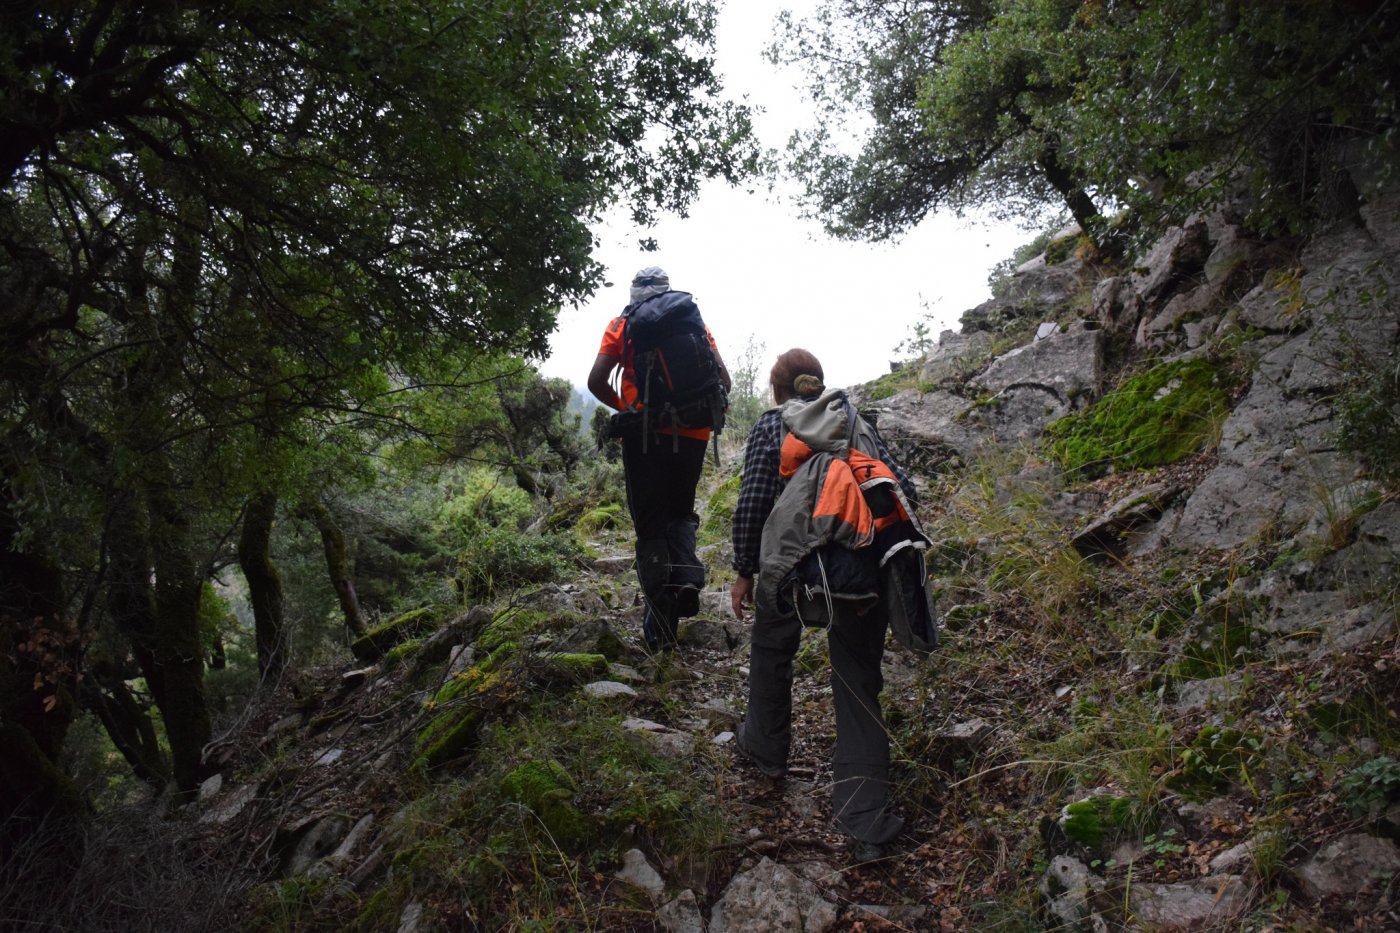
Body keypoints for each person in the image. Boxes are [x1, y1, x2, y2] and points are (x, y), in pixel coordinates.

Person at [729, 348, 919, 860]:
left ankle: (765, 750)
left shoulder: (773, 426)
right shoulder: (853, 419)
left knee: (771, 648)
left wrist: (745, 570)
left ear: (778, 390)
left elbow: (753, 501)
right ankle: (865, 819)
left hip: (795, 572)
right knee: (857, 679)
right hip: (863, 566)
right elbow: (901, 486)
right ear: (818, 383)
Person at [588, 266, 731, 651]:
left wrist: (629, 407)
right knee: (681, 512)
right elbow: (724, 380)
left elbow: (596, 380)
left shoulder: (622, 325)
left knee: (651, 525)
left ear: (634, 292)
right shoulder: (693, 319)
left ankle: (661, 633)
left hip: (645, 437)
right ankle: (684, 579)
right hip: (694, 434)